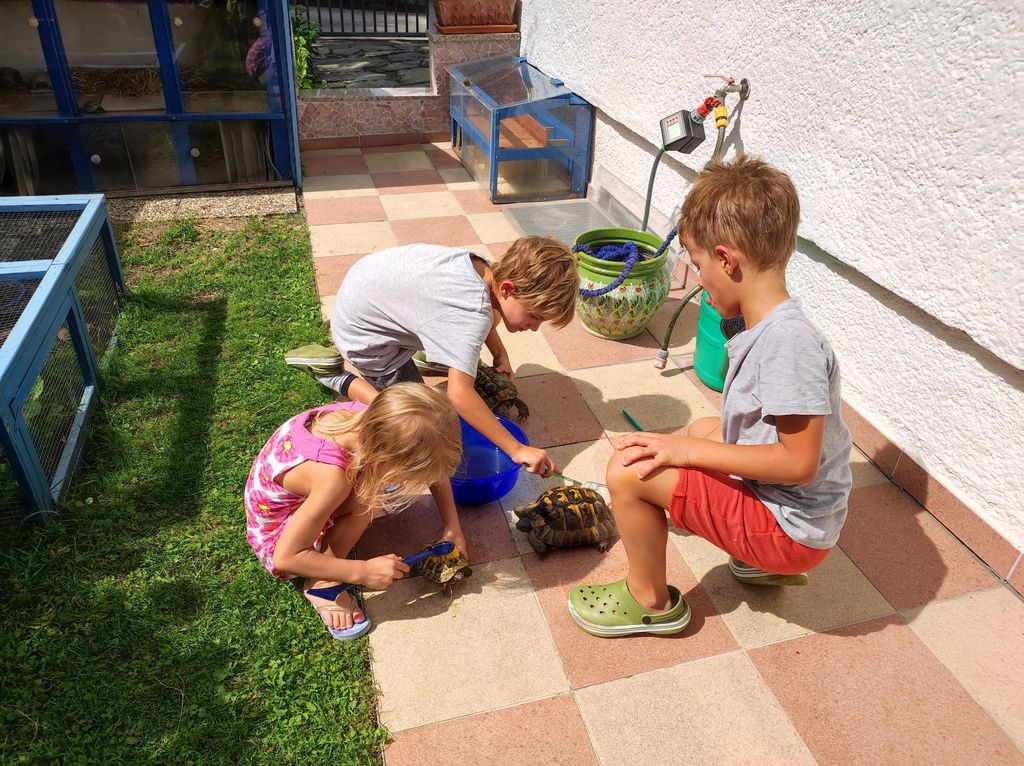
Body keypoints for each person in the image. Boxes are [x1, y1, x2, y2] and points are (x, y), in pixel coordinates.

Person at [567, 156, 852, 638]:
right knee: (702, 429)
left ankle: (650, 602)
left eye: (698, 265)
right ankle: (753, 559)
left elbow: (799, 463)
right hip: (787, 513)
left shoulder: (788, 345)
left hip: (790, 533)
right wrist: (690, 448)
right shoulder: (769, 326)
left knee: (630, 473)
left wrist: (685, 454)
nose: (698, 279)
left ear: (726, 260)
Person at [285, 236, 579, 478]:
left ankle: (433, 352)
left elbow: (480, 314)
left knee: (469, 342)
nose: (535, 328)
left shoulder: (483, 268)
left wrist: (499, 353)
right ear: (507, 289)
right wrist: (516, 449)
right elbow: (459, 394)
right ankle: (335, 374)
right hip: (366, 338)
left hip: (366, 290)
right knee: (408, 416)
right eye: (535, 316)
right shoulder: (470, 314)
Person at [245, 383, 463, 640]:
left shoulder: (370, 416)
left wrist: (453, 527)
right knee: (369, 500)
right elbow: (286, 558)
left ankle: (329, 564)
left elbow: (435, 470)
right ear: (383, 458)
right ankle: (322, 584)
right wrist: (362, 572)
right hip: (276, 534)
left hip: (300, 499)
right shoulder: (333, 479)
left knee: (379, 490)